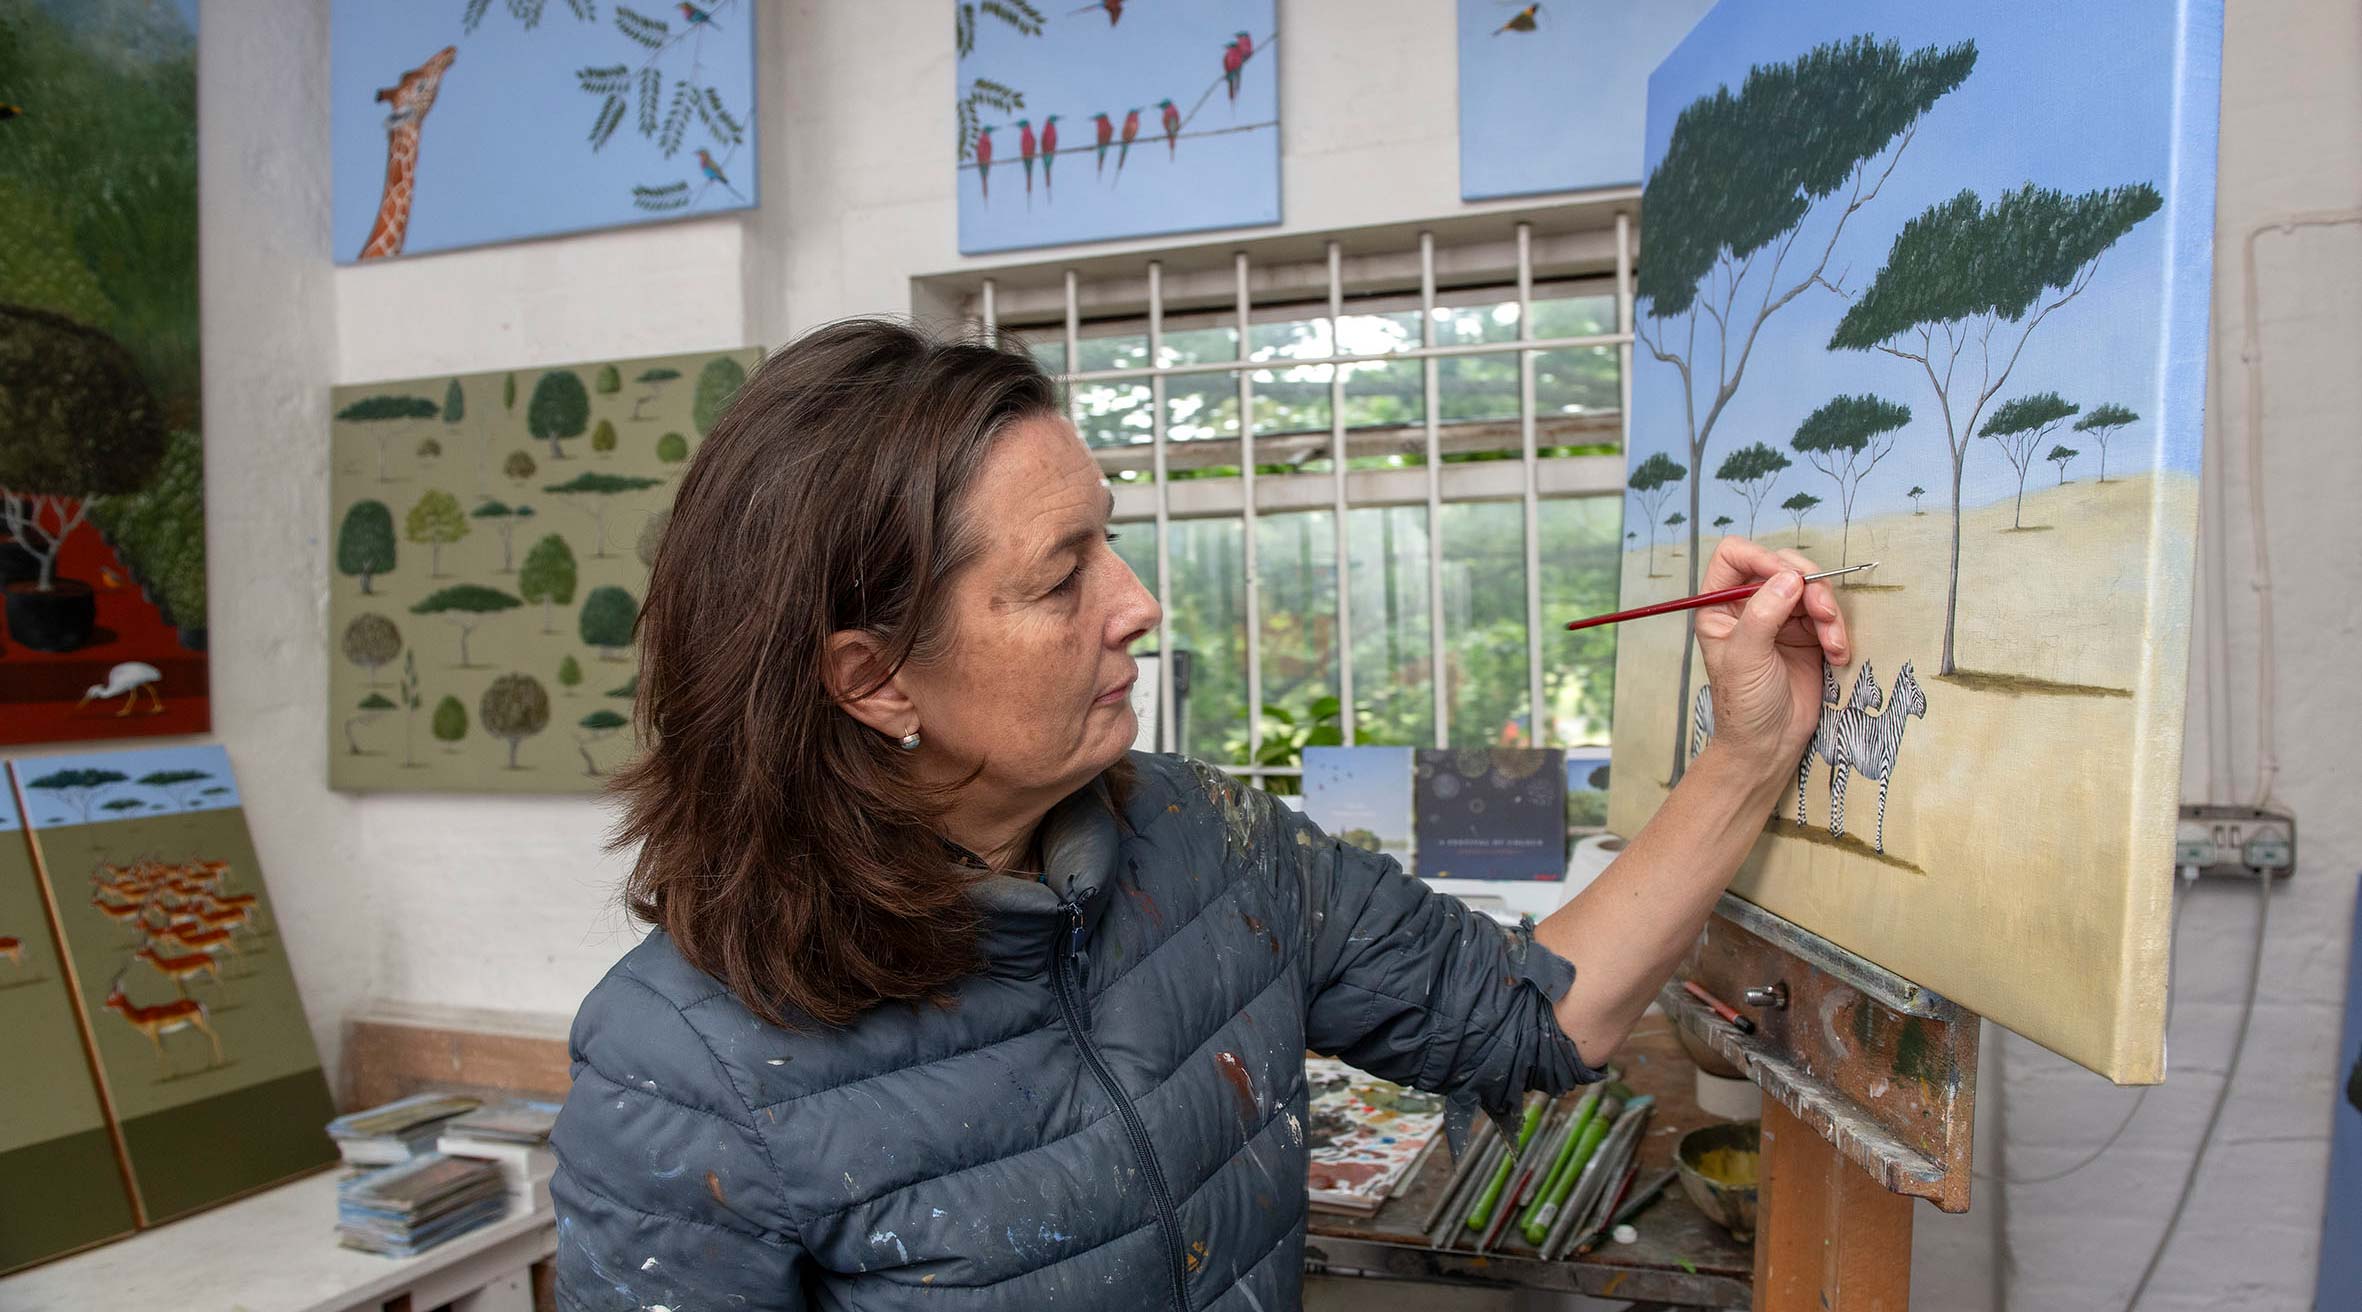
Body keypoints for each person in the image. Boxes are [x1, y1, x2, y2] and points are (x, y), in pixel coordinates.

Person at [550, 318, 1850, 1311]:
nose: (1134, 604)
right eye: (1062, 578)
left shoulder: (1202, 837)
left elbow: (1533, 1015)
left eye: (1106, 541)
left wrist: (1749, 749)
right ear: (874, 679)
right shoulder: (681, 1074)